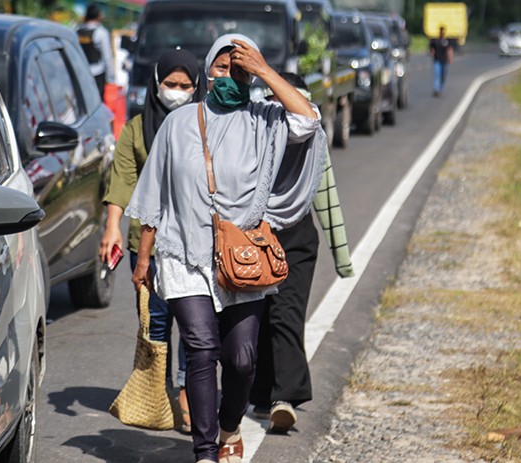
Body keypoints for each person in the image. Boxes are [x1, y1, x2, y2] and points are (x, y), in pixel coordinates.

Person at [126, 34, 325, 463]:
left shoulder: (265, 120)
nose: (230, 75)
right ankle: (203, 450)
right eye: (222, 66)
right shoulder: (179, 124)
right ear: (207, 73)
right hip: (184, 255)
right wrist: (144, 258)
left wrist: (264, 71)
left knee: (240, 359)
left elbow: (308, 120)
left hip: (241, 258)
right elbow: (154, 195)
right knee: (201, 348)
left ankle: (230, 425)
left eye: (239, 68)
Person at [100, 48, 204, 434]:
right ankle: (157, 391)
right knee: (155, 322)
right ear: (155, 84)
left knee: (194, 323)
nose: (176, 92)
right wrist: (112, 227)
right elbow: (123, 180)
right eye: (169, 84)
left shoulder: (204, 126)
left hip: (194, 242)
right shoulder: (137, 129)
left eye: (185, 86)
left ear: (197, 88)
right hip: (145, 244)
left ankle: (189, 392)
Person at [249, 73, 355, 434]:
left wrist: (342, 258)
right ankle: (262, 393)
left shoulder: (314, 144)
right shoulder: (254, 138)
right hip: (255, 237)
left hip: (296, 238)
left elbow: (327, 198)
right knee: (258, 318)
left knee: (286, 314)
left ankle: (286, 396)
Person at [76, 3, 114, 99]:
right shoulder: (101, 32)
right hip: (96, 76)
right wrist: (110, 79)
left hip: (79, 74)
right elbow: (107, 58)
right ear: (98, 16)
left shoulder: (76, 31)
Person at [429, 26, 453, 97]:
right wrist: (432, 55)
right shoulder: (435, 40)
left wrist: (450, 58)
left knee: (443, 76)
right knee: (437, 75)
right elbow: (432, 49)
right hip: (437, 60)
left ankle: (441, 89)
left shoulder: (446, 41)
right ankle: (436, 90)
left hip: (444, 61)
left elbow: (450, 49)